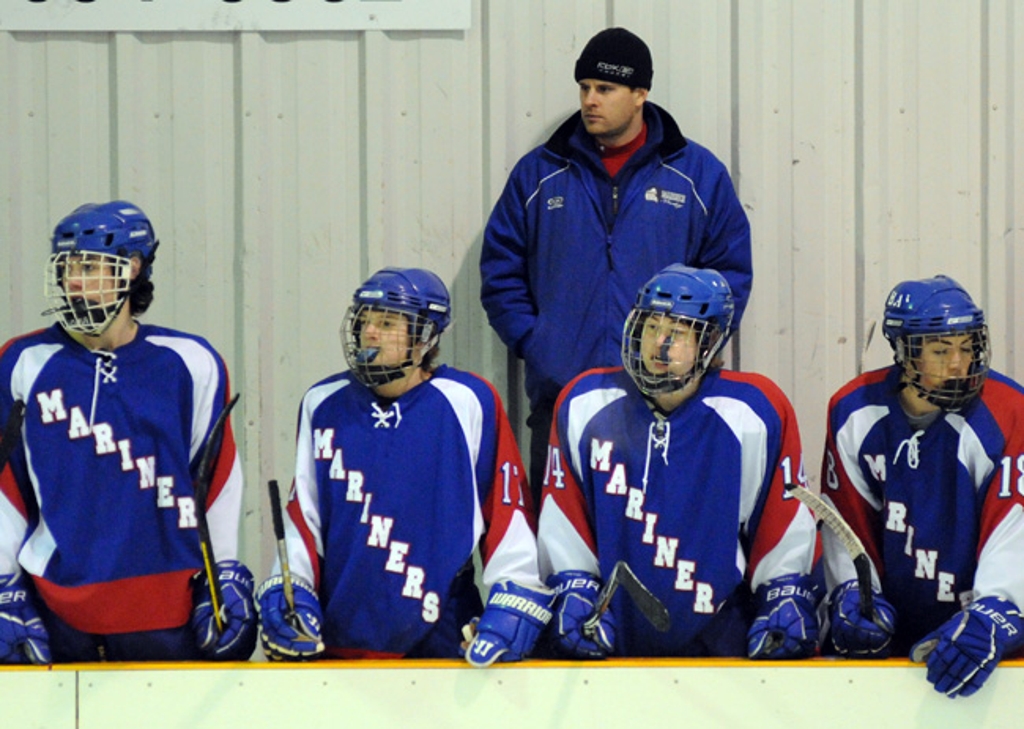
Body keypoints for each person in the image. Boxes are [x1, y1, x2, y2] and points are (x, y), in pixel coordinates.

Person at [480, 27, 753, 505]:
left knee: (662, 534)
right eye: (584, 87)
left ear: (640, 95)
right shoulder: (539, 173)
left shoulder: (697, 176)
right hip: (562, 395)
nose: (590, 100)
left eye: (604, 89)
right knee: (560, 542)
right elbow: (500, 269)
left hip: (668, 400)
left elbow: (729, 276)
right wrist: (537, 341)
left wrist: (689, 352)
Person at [0, 200, 256, 663]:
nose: (75, 280)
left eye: (91, 265)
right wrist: (2, 585)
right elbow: (7, 486)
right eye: (68, 266)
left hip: (167, 612)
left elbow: (215, 480)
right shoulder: (21, 362)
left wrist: (222, 574)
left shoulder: (191, 362)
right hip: (54, 610)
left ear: (132, 268)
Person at [256, 267, 552, 667]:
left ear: (426, 336)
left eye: (388, 322)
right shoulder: (322, 402)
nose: (370, 332)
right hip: (339, 639)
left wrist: (514, 596)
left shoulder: (469, 401)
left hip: (445, 637)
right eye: (365, 320)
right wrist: (292, 588)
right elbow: (303, 516)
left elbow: (505, 511)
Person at [536, 264, 818, 658]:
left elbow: (781, 519)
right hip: (610, 638)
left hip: (722, 638)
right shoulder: (585, 402)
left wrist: (783, 594)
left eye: (679, 333)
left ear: (711, 342)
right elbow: (565, 514)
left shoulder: (754, 411)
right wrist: (573, 585)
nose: (659, 345)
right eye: (652, 327)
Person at [820, 275, 1024, 698]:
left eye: (967, 347)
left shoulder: (1010, 412)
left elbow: (1015, 524)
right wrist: (857, 600)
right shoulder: (854, 411)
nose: (958, 364)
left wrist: (994, 613)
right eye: (940, 350)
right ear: (904, 352)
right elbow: (848, 525)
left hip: (990, 645)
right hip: (895, 646)